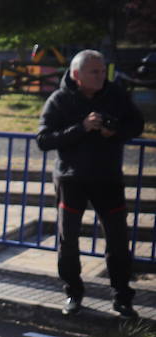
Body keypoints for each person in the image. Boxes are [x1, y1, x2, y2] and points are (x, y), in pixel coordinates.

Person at [37, 49, 145, 318]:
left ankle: (122, 299)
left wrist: (116, 130)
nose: (101, 76)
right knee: (69, 241)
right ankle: (73, 293)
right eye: (94, 72)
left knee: (118, 241)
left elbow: (137, 124)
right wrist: (82, 127)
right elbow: (44, 140)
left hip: (108, 179)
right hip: (71, 180)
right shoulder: (59, 100)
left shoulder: (116, 95)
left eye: (102, 70)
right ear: (77, 75)